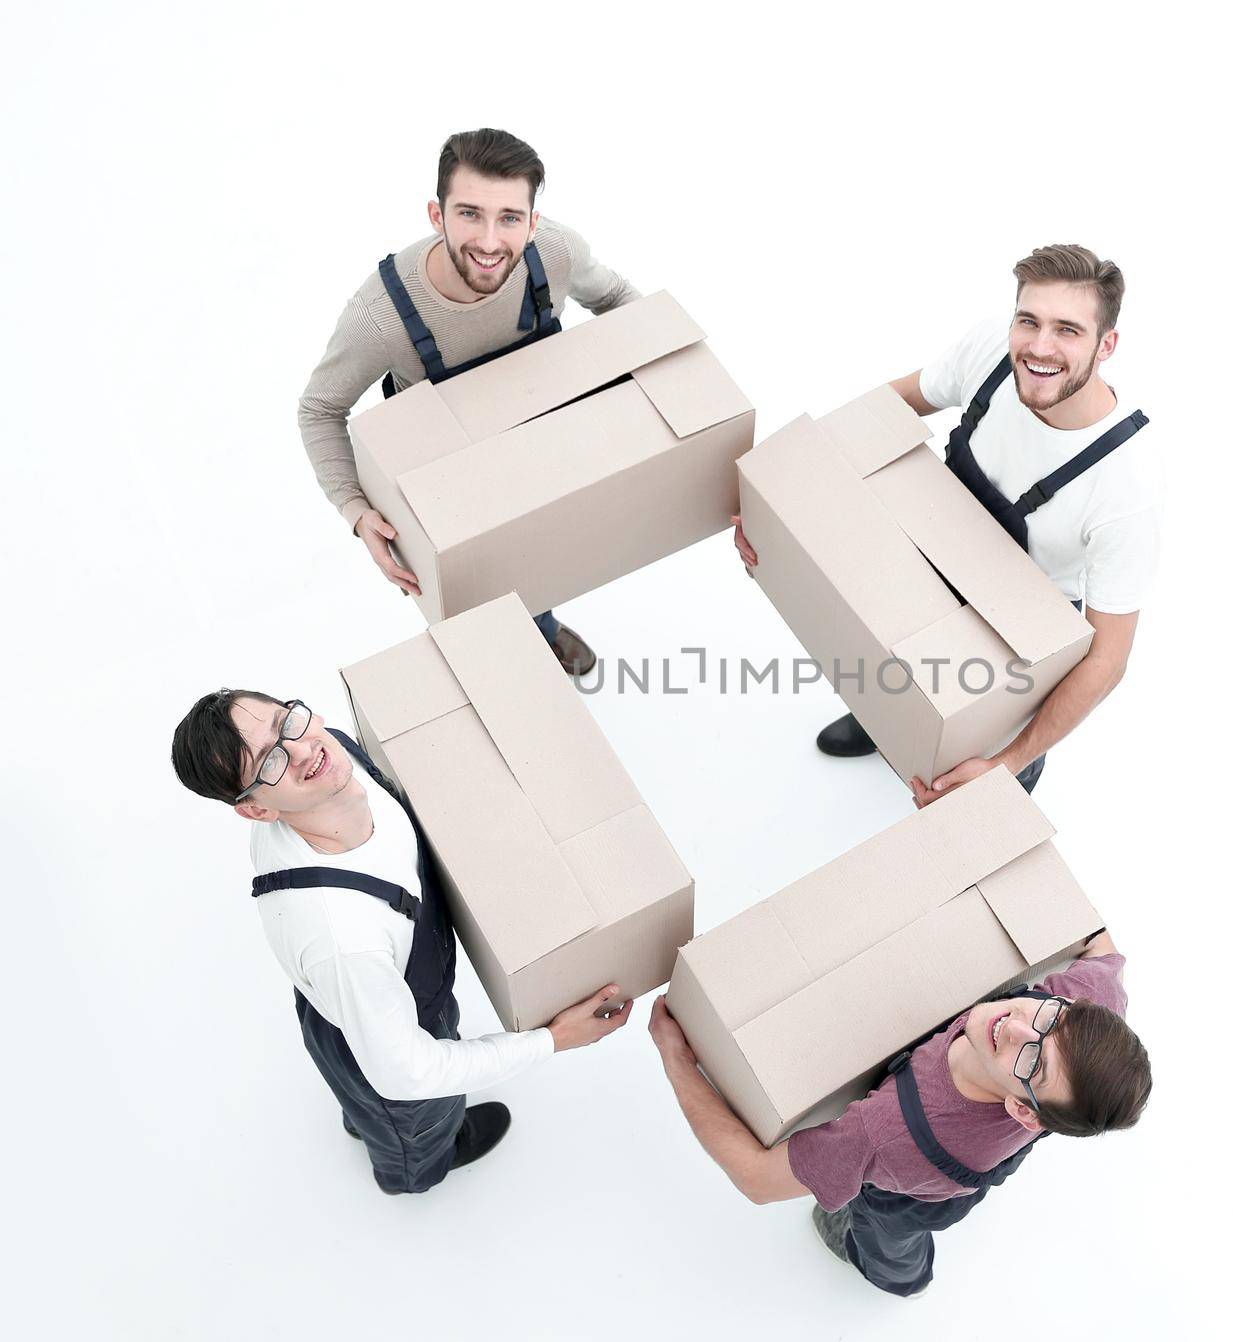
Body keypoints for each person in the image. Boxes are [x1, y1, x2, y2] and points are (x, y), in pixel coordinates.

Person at [733, 244, 1160, 800]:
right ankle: (881, 719)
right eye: (1028, 321)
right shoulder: (990, 351)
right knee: (885, 672)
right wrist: (783, 502)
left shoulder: (1125, 489)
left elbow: (1108, 660)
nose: (1039, 347)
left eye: (1067, 330)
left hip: (1016, 641)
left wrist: (1007, 762)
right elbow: (890, 407)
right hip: (925, 561)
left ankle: (1007, 782)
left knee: (980, 789)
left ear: (1107, 345)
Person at [171, 689, 634, 1194]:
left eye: (285, 723)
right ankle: (415, 1166)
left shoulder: (335, 761)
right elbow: (408, 1074)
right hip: (383, 1035)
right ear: (256, 810)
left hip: (365, 1000)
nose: (303, 749)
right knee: (413, 1121)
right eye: (269, 759)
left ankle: (364, 1111)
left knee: (369, 1080)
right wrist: (553, 1039)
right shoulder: (344, 939)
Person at [299, 127, 643, 675]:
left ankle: (541, 620)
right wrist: (356, 512)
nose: (488, 240)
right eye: (469, 214)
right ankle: (527, 641)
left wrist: (650, 387)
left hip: (538, 423)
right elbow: (319, 408)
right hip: (446, 465)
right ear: (437, 216)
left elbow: (619, 299)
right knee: (481, 582)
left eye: (509, 217)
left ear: (534, 222)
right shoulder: (381, 315)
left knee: (547, 537)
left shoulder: (554, 251)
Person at [648, 927, 1149, 1297]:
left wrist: (677, 1059)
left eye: (1034, 1064)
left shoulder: (888, 1137)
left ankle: (899, 1278)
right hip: (987, 1138)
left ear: (1023, 1112)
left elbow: (757, 1178)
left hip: (918, 1190)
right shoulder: (1091, 1006)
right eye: (1048, 1019)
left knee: (876, 1233)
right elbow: (1098, 942)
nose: (1017, 1024)